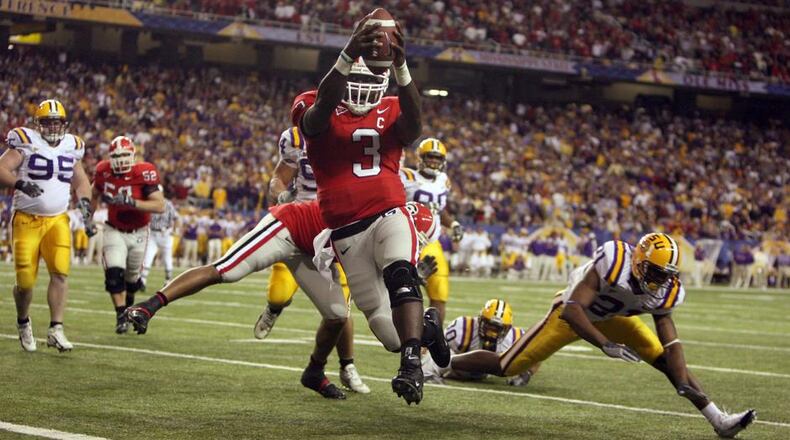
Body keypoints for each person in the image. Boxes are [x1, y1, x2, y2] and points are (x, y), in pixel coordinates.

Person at [124, 200, 439, 400]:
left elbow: (382, 291)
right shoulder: (374, 222)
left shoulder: (386, 230)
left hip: (313, 252)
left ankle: (314, 372)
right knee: (227, 270)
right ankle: (150, 305)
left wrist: (413, 283)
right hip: (289, 227)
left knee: (336, 314)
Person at [450, 233, 755, 438]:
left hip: (614, 319)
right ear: (639, 261)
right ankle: (447, 362)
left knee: (667, 363)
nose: (661, 281)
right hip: (570, 315)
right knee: (508, 366)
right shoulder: (615, 260)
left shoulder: (665, 292)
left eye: (666, 275)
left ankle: (718, 420)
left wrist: (682, 382)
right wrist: (605, 345)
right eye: (656, 272)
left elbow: (671, 343)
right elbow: (572, 309)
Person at [293, 17, 450, 404]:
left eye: (370, 83)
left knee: (401, 273)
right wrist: (347, 54)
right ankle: (426, 330)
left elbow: (414, 128)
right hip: (346, 230)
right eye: (354, 81)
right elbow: (315, 120)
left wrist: (401, 67)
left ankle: (413, 366)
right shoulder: (315, 101)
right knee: (388, 333)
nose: (362, 92)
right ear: (343, 75)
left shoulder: (395, 104)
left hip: (388, 212)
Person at [255, 125, 369, 394]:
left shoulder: (352, 134)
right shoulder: (295, 138)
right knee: (279, 293)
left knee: (342, 308)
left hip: (335, 225)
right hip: (300, 222)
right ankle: (274, 308)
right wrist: (281, 195)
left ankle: (347, 365)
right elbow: (278, 178)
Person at [0, 99, 93, 352]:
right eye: (47, 122)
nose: (53, 127)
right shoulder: (25, 142)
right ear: (37, 124)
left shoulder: (72, 146)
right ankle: (23, 321)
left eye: (57, 122)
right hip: (26, 220)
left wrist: (85, 206)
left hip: (58, 220)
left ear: (64, 124)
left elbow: (82, 182)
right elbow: (1, 168)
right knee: (26, 282)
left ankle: (56, 328)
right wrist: (19, 184)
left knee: (61, 273)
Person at [92, 135, 165, 334]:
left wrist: (131, 202)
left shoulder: (145, 172)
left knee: (132, 280)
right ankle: (120, 315)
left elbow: (159, 205)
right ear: (110, 157)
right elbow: (94, 194)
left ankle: (130, 307)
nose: (122, 159)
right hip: (114, 228)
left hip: (139, 232)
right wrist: (87, 219)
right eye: (117, 155)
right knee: (114, 274)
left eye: (125, 154)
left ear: (133, 155)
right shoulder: (103, 171)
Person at [400, 138, 463, 325]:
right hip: (409, 239)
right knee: (407, 290)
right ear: (421, 157)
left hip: (432, 242)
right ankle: (407, 336)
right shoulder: (406, 177)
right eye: (430, 157)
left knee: (440, 293)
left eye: (437, 158)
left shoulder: (444, 181)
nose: (434, 162)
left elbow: (439, 209)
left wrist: (452, 224)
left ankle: (431, 341)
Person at [422, 299, 536, 386]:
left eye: (497, 328)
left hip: (487, 371)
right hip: (458, 367)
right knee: (444, 353)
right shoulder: (463, 327)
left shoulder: (515, 337)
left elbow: (536, 356)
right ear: (480, 319)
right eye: (488, 325)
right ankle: (429, 374)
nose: (492, 332)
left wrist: (527, 373)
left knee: (521, 359)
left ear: (507, 329)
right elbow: (436, 345)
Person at [141, 198, 179, 288]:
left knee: (167, 259)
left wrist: (175, 230)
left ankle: (168, 281)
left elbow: (176, 218)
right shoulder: (149, 202)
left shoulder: (168, 204)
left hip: (165, 234)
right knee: (148, 257)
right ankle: (143, 281)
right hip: (153, 234)